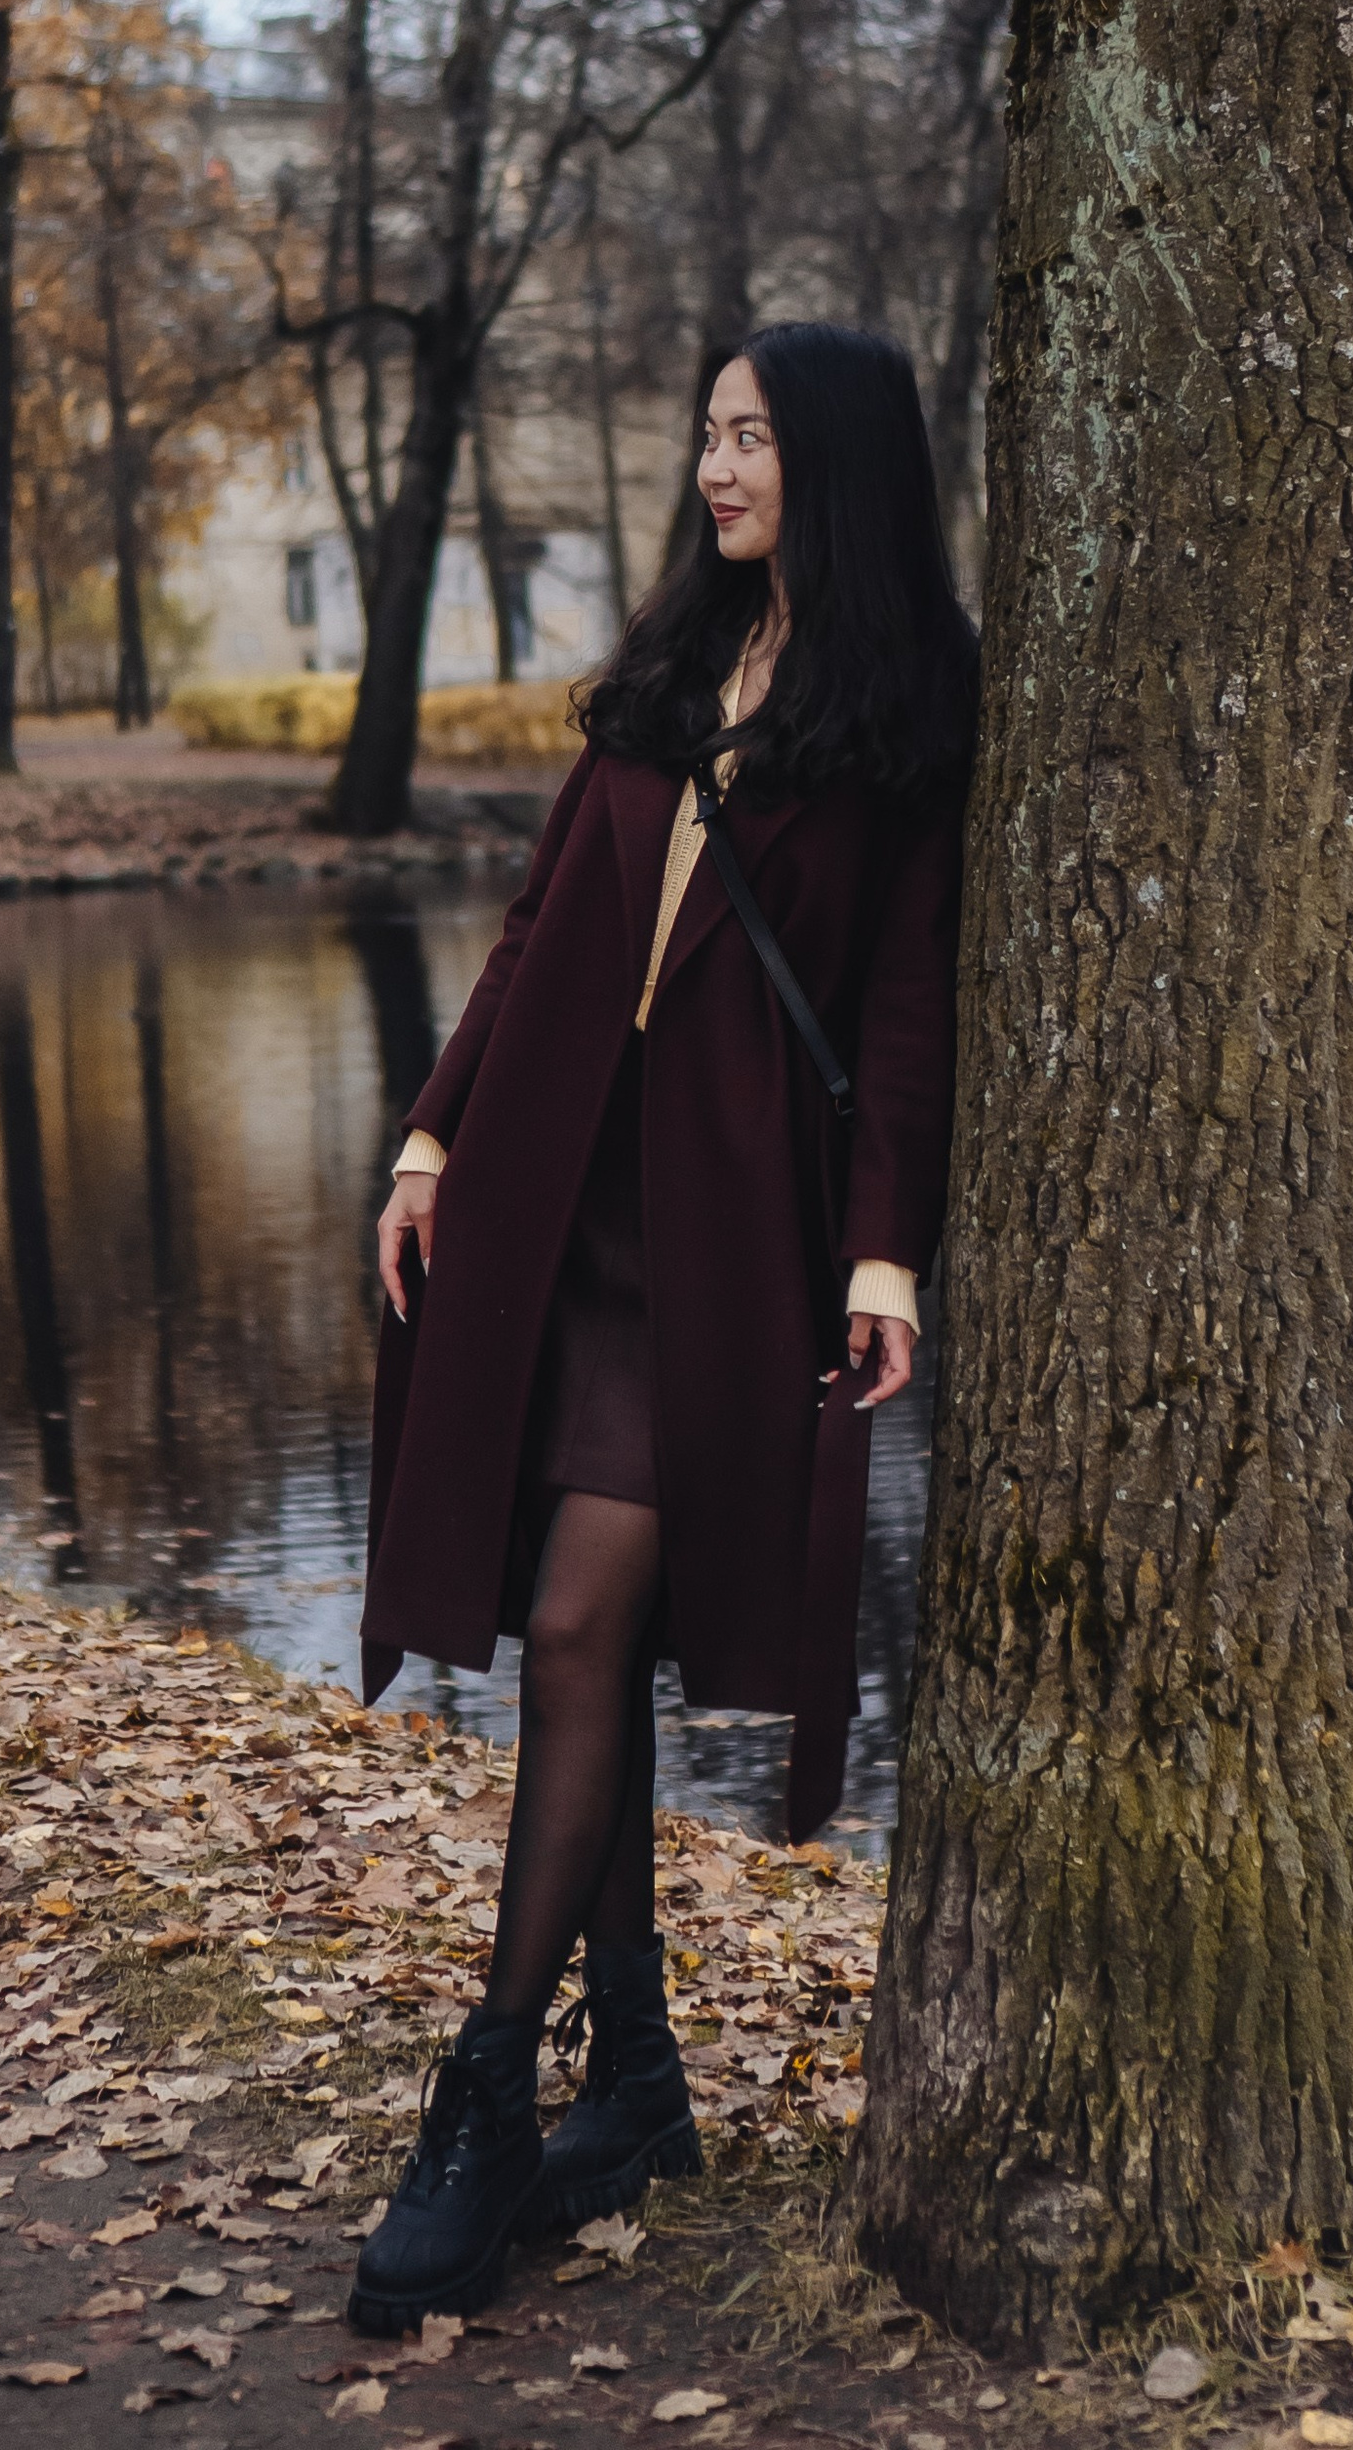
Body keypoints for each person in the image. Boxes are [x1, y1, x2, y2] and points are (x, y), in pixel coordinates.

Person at [348, 322, 976, 2334]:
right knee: (562, 1636)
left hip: (714, 1230)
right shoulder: (663, 670)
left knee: (575, 1626)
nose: (716, 468)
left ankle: (487, 2092)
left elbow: (902, 1003)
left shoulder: (911, 705)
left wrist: (884, 1254)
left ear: (839, 467)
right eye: (707, 431)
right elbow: (538, 926)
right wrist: (433, 1134)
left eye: (753, 438)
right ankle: (629, 2078)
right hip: (548, 1207)